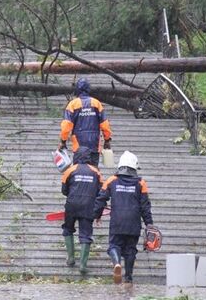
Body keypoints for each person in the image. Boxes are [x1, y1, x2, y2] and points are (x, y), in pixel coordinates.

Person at [94, 151, 154, 284]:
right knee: (131, 249)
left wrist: (96, 215)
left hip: (117, 221)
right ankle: (128, 277)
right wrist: (149, 224)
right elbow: (145, 206)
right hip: (134, 222)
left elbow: (100, 199)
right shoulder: (141, 183)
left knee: (114, 245)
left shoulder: (111, 180)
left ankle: (116, 263)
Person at [60, 146, 104, 275]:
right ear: (89, 157)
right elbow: (101, 192)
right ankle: (83, 265)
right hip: (88, 206)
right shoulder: (96, 172)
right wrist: (98, 210)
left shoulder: (70, 170)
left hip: (72, 205)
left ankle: (71, 258)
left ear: (76, 156)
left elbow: (64, 190)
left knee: (68, 229)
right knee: (85, 234)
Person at [59, 78, 112, 166]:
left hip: (78, 147)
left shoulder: (73, 104)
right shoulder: (97, 103)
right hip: (94, 145)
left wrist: (63, 141)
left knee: (78, 171)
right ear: (88, 89)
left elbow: (66, 126)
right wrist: (107, 140)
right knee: (94, 172)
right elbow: (105, 125)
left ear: (77, 89)